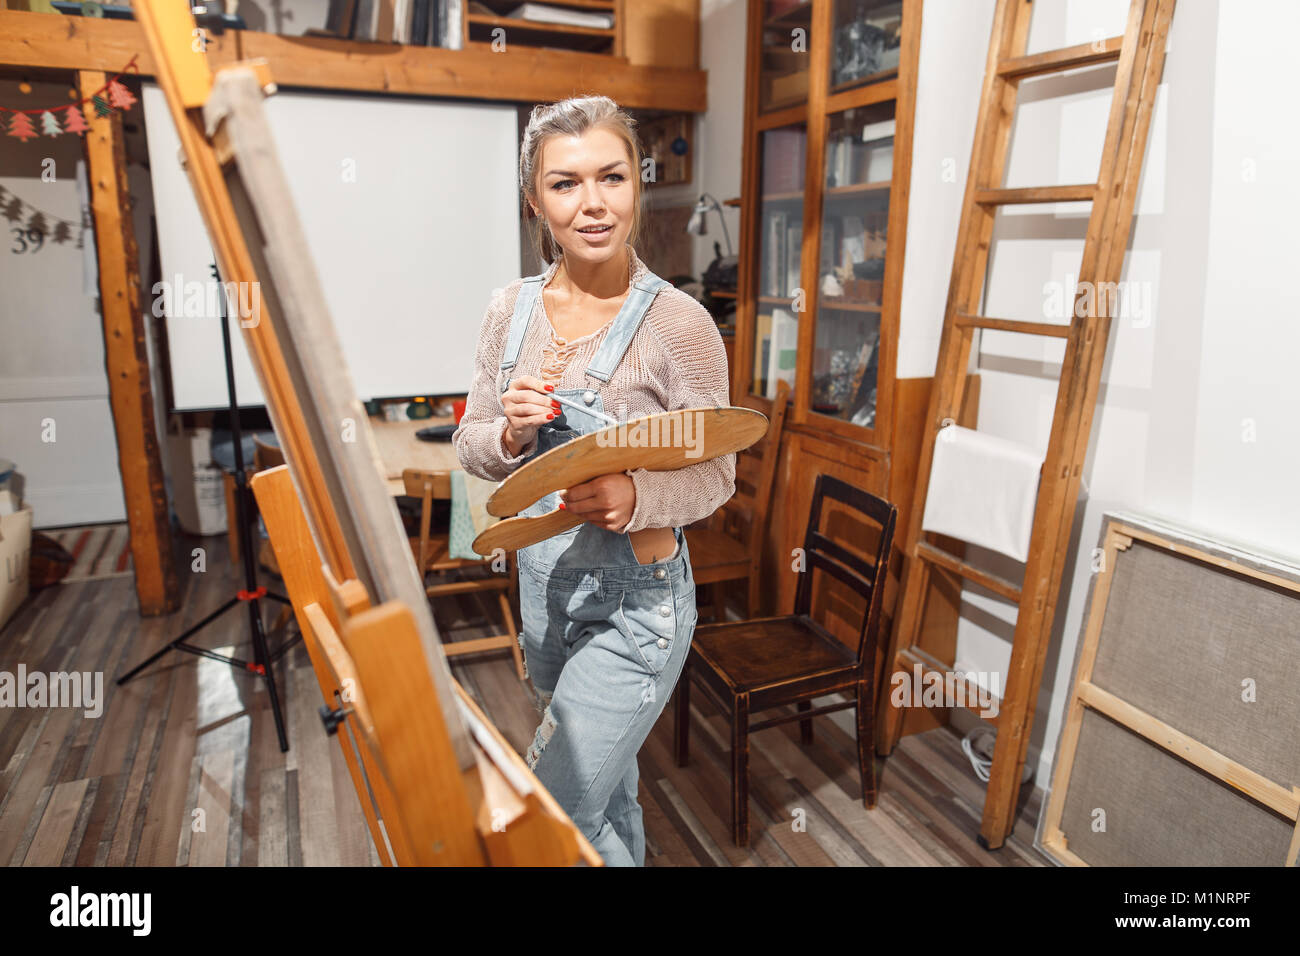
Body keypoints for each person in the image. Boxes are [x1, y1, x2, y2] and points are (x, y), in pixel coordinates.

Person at [452, 95, 735, 866]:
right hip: (543, 595)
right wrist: (509, 433)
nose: (593, 204)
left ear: (636, 185)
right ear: (536, 202)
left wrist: (637, 495)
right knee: (604, 798)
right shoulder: (508, 312)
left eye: (611, 177)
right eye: (565, 184)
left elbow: (718, 472)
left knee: (552, 813)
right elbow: (471, 444)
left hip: (637, 607)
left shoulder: (679, 324)